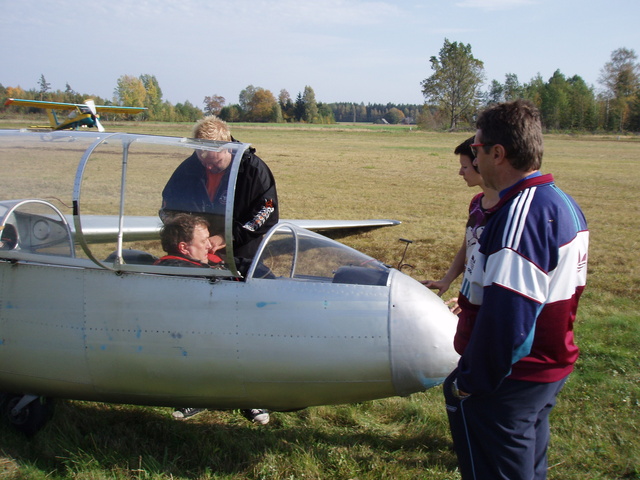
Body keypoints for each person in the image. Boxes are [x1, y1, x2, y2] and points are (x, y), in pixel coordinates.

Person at [443, 100, 589, 480]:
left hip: (512, 379)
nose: (472, 159)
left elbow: (508, 319)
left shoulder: (519, 218)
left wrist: (469, 384)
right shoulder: (562, 203)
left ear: (497, 153)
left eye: (475, 149)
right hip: (547, 368)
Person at [156, 214, 270, 425]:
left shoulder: (204, 263)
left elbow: (235, 268)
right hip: (200, 336)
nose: (210, 245)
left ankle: (245, 396)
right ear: (184, 248)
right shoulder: (177, 270)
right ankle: (207, 395)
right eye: (203, 241)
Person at [160, 115, 278, 271]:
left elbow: (267, 209)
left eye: (215, 162)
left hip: (240, 254)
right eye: (204, 162)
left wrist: (227, 237)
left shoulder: (253, 171)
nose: (208, 168)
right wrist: (190, 235)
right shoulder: (188, 169)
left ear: (228, 147)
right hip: (195, 257)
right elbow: (168, 208)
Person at [421, 136, 499, 310]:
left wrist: (472, 300)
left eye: (465, 167)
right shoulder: (476, 203)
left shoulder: (504, 210)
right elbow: (467, 248)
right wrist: (446, 280)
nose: (460, 172)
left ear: (481, 165)